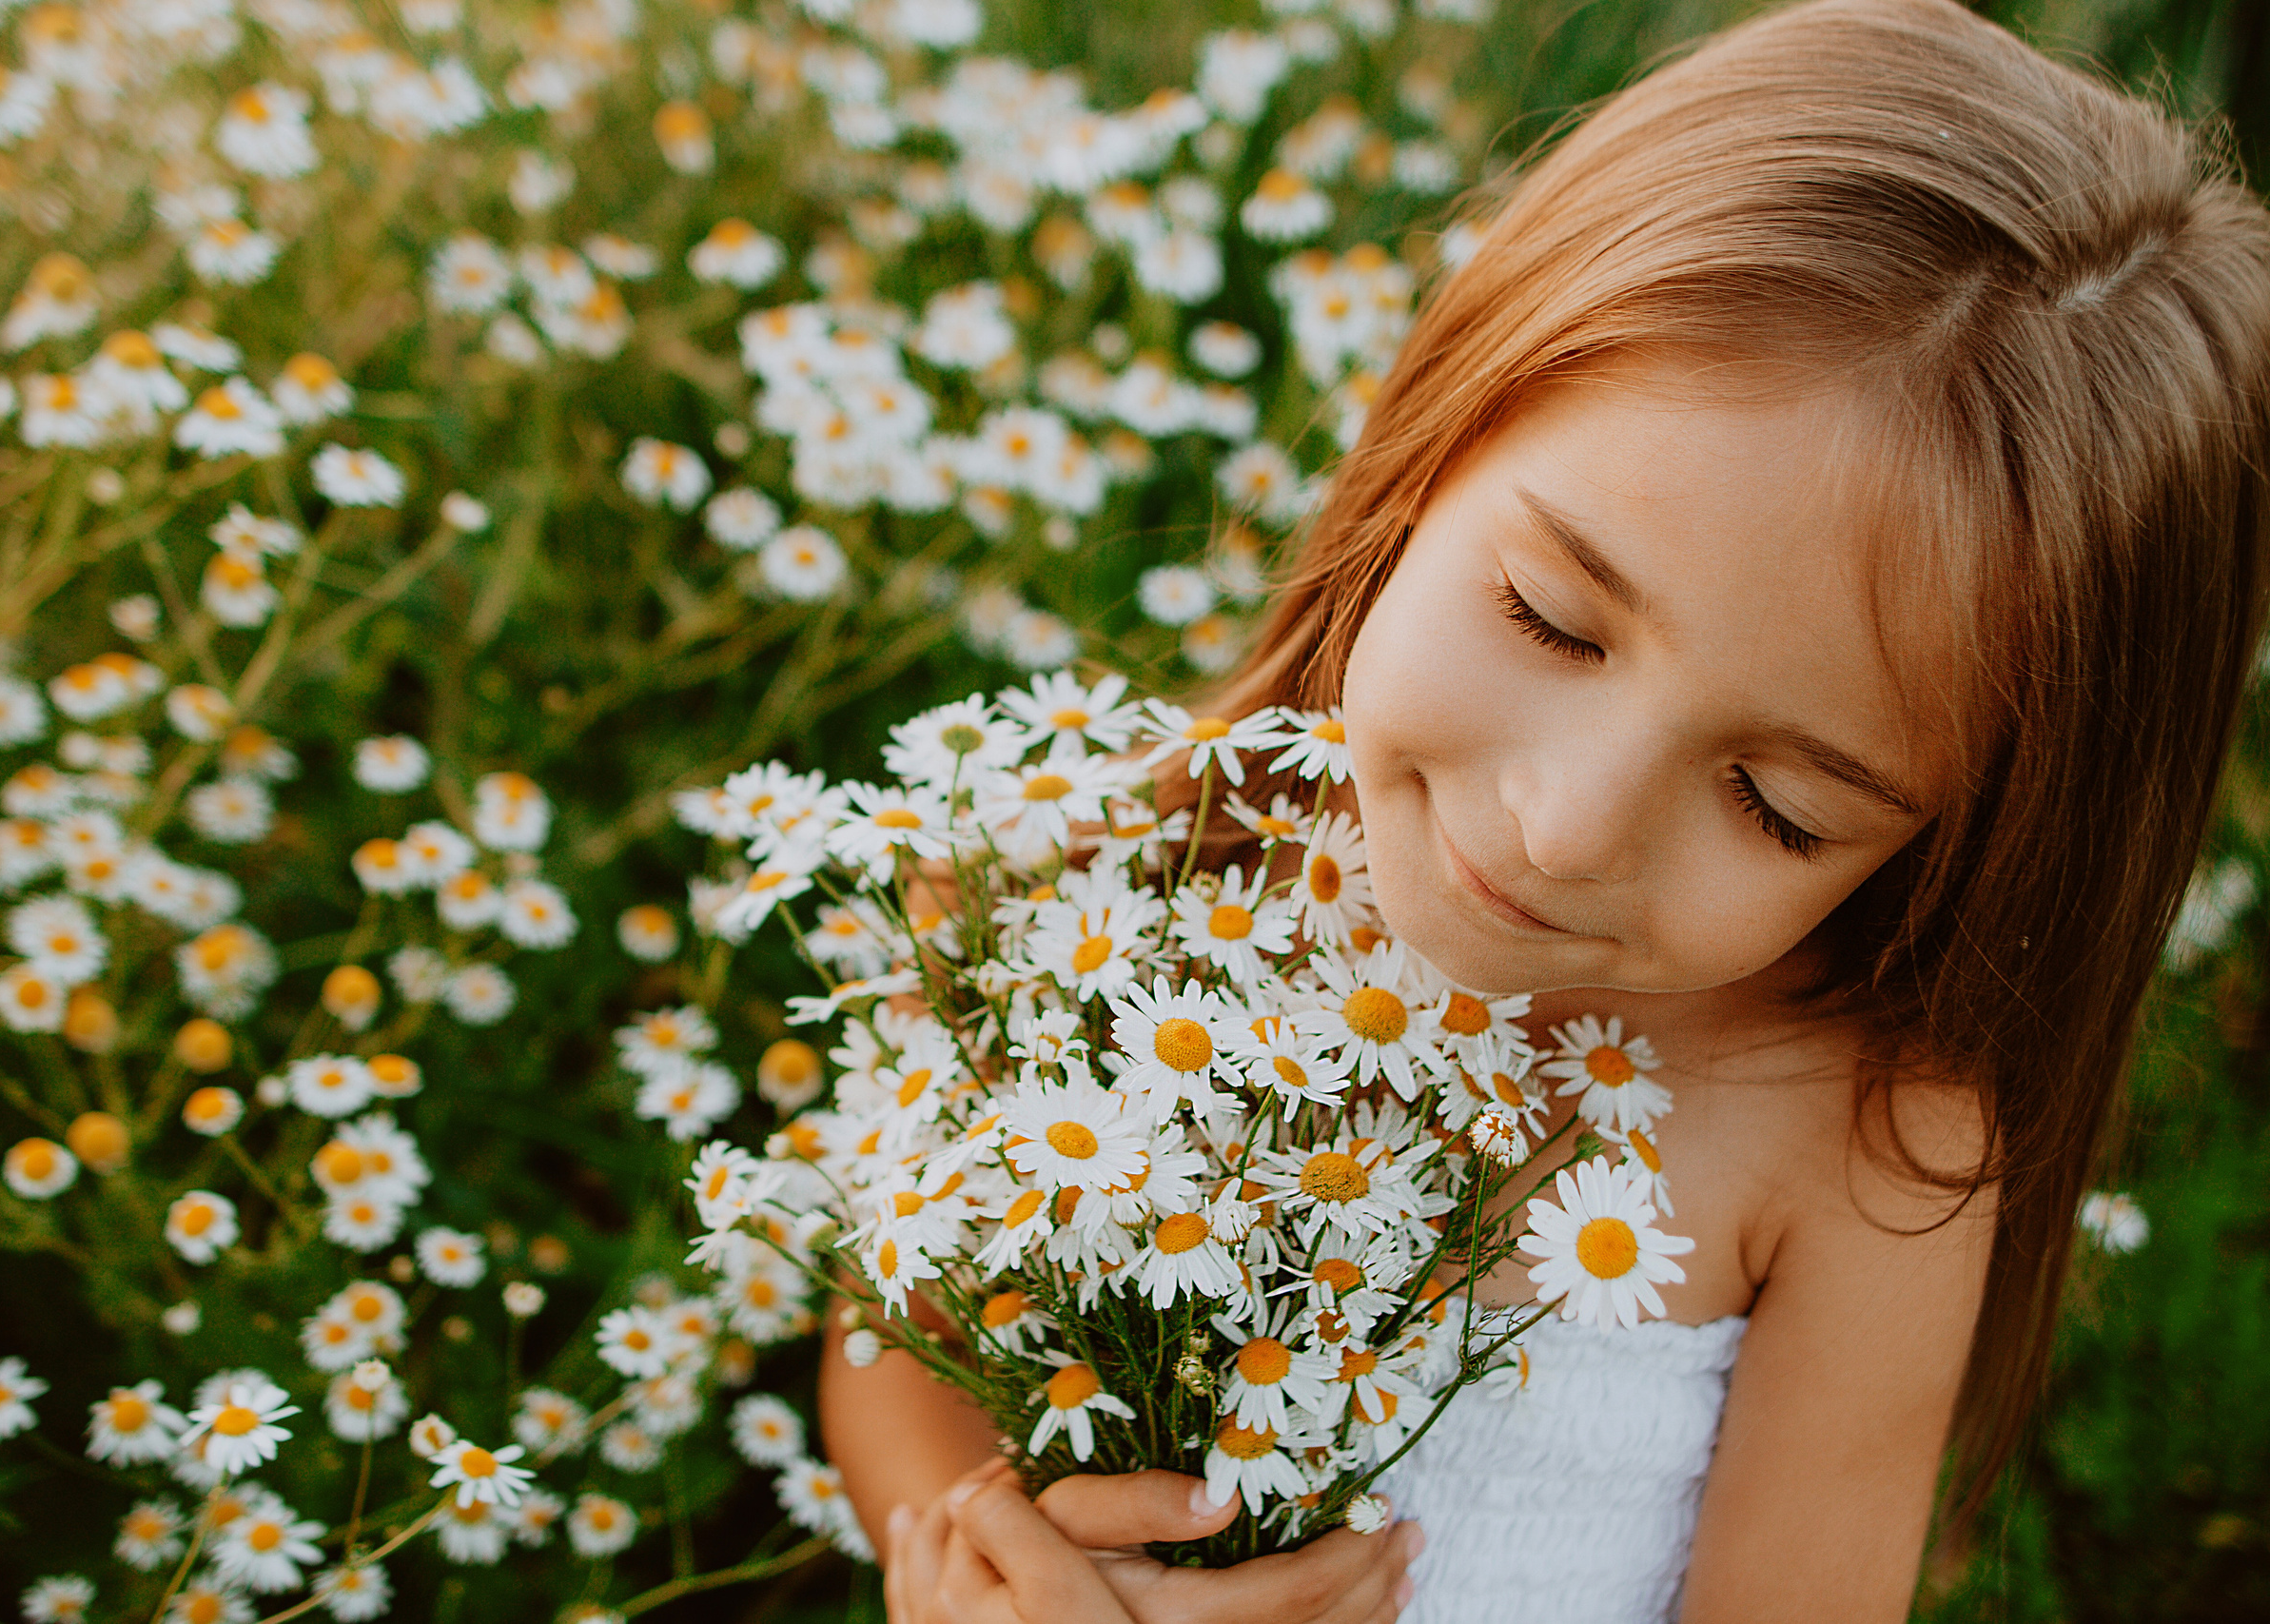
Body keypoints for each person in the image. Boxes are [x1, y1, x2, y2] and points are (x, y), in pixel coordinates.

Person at [824, 0, 2270, 1618]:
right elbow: (898, 1361)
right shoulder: (1085, 882)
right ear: (1430, 443)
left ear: (1975, 840)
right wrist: (982, 1566)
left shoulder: (1866, 1151)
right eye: (1550, 619)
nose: (1571, 827)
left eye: (1779, 806)